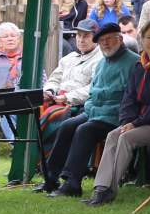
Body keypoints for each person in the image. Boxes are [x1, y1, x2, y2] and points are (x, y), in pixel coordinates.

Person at [83, 20, 150, 206]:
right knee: (113, 135)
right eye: (149, 38)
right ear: (142, 39)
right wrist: (127, 121)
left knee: (126, 138)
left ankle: (109, 190)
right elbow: (128, 98)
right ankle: (100, 188)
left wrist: (136, 123)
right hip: (137, 121)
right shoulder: (139, 66)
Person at [40, 23, 138, 198]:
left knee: (84, 130)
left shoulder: (133, 62)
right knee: (67, 125)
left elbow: (128, 96)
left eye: (109, 39)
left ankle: (72, 182)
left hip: (117, 116)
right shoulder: (102, 63)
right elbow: (92, 92)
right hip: (96, 112)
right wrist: (91, 107)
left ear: (120, 39)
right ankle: (51, 178)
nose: (106, 44)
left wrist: (98, 105)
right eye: (102, 41)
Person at [39, 17, 103, 150]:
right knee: (33, 110)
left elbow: (93, 88)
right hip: (57, 99)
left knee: (53, 115)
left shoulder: (101, 59)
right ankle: (33, 156)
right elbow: (54, 79)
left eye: (86, 36)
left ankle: (48, 158)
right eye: (79, 35)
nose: (81, 39)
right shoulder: (68, 58)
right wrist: (50, 91)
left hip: (79, 105)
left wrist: (67, 97)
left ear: (96, 38)